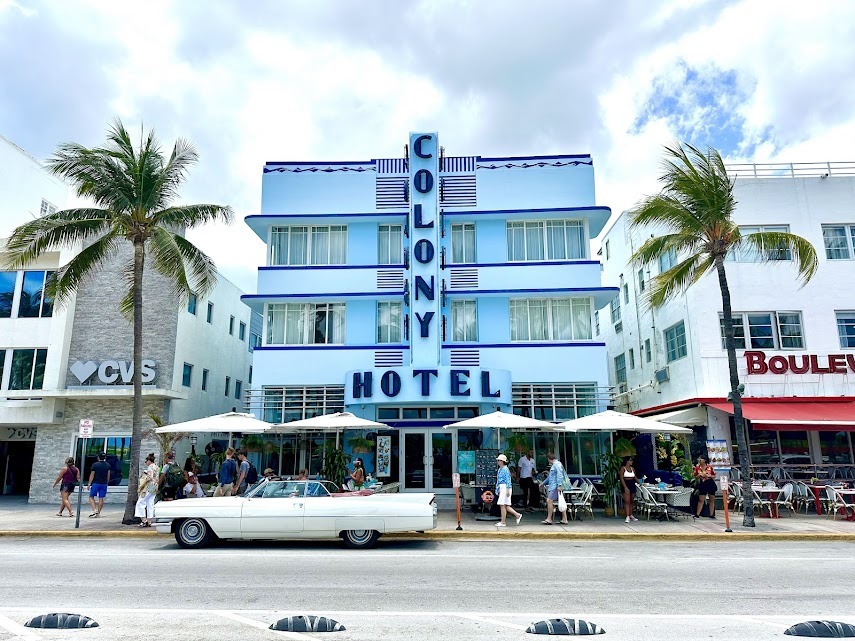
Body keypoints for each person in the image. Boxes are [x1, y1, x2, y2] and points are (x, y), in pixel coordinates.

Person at [495, 454, 523, 527]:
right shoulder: (501, 469)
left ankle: (503, 522)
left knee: (502, 505)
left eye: (499, 460)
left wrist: (507, 489)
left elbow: (507, 480)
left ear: (502, 461)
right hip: (502, 487)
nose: (498, 461)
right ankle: (517, 515)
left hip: (504, 487)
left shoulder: (504, 469)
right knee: (505, 505)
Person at [543, 453, 568, 525]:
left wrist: (559, 485)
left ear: (549, 459)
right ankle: (564, 519)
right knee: (561, 501)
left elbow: (560, 475)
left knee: (549, 501)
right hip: (555, 486)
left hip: (555, 487)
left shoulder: (556, 465)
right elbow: (550, 477)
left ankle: (549, 519)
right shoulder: (556, 464)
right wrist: (543, 483)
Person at [134, 453, 159, 526]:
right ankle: (149, 520)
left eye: (146, 461)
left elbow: (150, 477)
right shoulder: (156, 467)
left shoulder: (150, 467)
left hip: (149, 486)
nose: (146, 463)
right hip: (155, 486)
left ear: (149, 461)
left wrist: (145, 476)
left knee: (140, 502)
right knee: (150, 502)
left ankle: (144, 520)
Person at [87, 452, 111, 517]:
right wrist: (107, 482)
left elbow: (92, 475)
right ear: (105, 458)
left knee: (91, 497)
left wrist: (89, 484)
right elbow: (108, 475)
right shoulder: (108, 465)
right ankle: (98, 512)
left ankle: (94, 510)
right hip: (103, 483)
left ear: (98, 457)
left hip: (96, 483)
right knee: (101, 498)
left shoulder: (95, 465)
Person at [620, 456, 639, 523]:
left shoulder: (632, 469)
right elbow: (621, 478)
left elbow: (634, 477)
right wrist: (625, 487)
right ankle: (627, 516)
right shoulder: (623, 468)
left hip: (632, 484)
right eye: (630, 460)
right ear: (627, 461)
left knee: (631, 500)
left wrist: (640, 483)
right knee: (627, 501)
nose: (632, 462)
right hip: (626, 483)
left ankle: (631, 515)